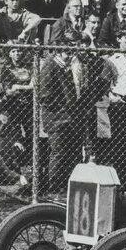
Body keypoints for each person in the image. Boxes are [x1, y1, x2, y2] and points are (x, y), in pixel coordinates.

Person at [39, 36, 85, 194]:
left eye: (72, 52)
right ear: (58, 52)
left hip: (68, 117)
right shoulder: (50, 65)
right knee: (58, 153)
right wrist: (64, 108)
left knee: (69, 153)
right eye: (67, 52)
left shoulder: (65, 66)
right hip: (56, 118)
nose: (70, 55)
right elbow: (44, 96)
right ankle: (53, 189)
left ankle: (64, 186)